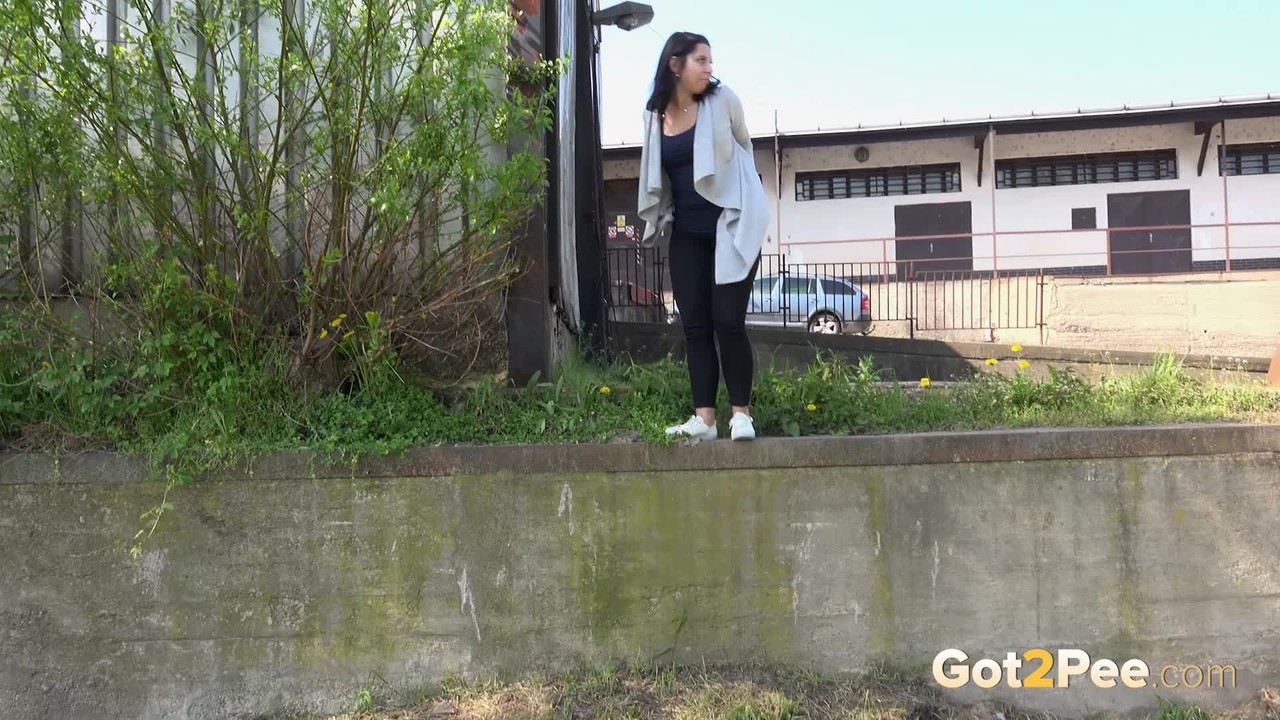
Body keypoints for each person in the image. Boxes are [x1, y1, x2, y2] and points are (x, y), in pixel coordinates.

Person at [636, 32, 770, 442]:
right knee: (694, 327)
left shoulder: (723, 100)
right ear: (675, 64)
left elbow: (744, 145)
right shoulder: (655, 114)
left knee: (728, 322)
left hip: (730, 227)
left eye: (711, 60)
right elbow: (657, 173)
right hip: (687, 234)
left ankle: (741, 415)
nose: (710, 68)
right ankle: (705, 420)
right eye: (701, 60)